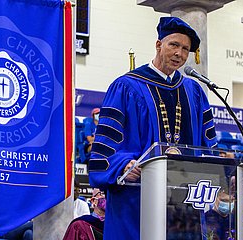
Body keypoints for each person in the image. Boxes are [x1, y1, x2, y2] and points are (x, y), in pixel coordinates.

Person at [88, 16, 217, 239]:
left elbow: (208, 146)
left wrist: (218, 170)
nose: (179, 53)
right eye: (174, 45)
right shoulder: (126, 86)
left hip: (183, 203)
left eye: (185, 49)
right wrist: (123, 166)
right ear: (159, 44)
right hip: (136, 197)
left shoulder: (194, 91)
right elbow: (106, 146)